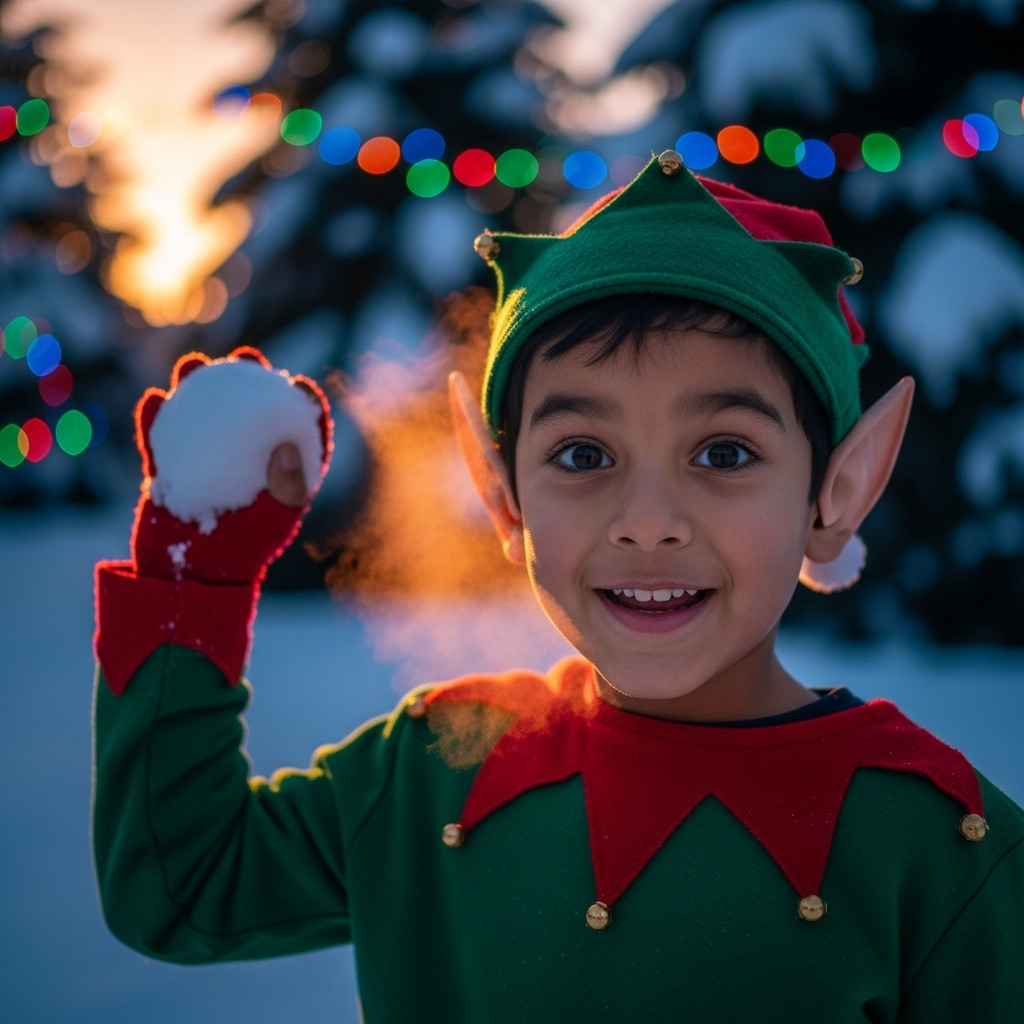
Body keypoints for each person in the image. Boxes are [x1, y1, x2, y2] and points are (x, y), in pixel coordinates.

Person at [92, 154, 1024, 1022]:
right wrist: (193, 575)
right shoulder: (434, 772)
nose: (646, 521)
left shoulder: (942, 845)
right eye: (583, 455)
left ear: (835, 493)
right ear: (506, 499)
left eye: (723, 453)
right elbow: (182, 887)